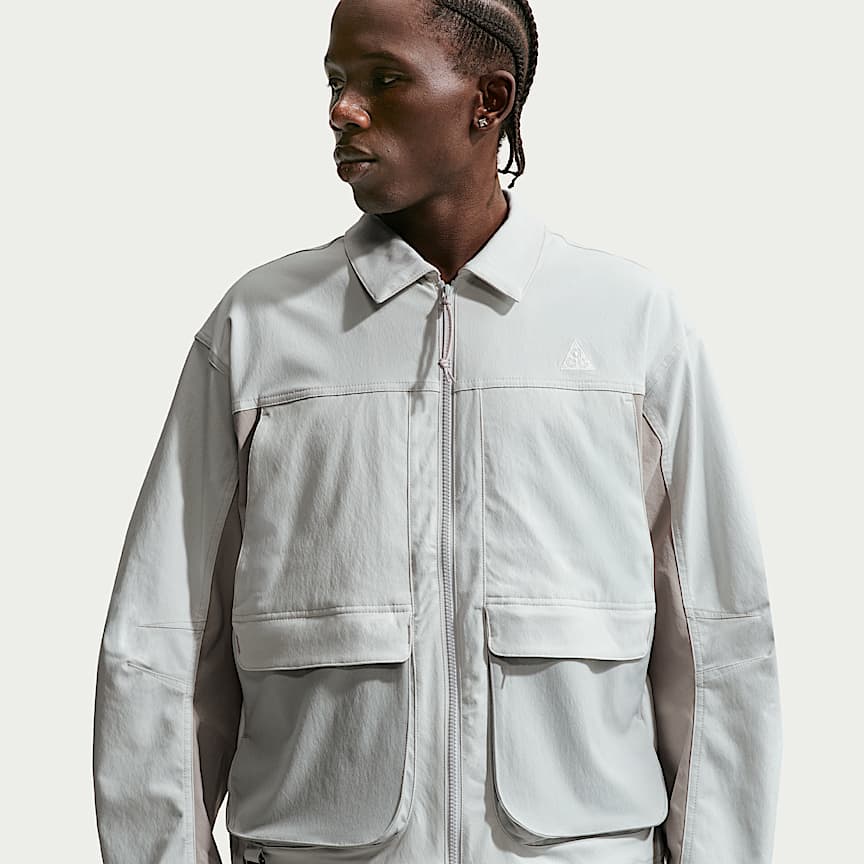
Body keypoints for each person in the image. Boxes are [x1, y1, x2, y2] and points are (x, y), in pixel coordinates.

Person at [92, 1, 783, 863]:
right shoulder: (259, 329)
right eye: (336, 82)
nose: (343, 110)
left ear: (488, 100)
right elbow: (159, 642)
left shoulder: (632, 327)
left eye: (384, 79)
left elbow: (717, 642)